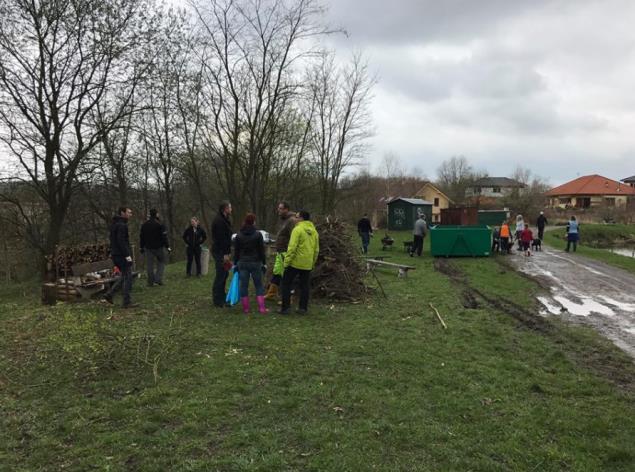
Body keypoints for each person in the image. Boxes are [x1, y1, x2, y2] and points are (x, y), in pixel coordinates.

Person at [280, 210, 319, 315]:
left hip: (295, 263)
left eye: (297, 217)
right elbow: (316, 250)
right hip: (307, 263)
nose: (295, 219)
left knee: (286, 284)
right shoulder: (314, 231)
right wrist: (312, 262)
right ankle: (303, 308)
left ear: (301, 218)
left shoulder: (297, 230)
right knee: (305, 286)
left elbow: (292, 248)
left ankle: (286, 308)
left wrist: (286, 262)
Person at [233, 213, 267, 314]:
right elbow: (261, 250)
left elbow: (237, 251)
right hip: (256, 262)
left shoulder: (238, 235)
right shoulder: (258, 234)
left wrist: (235, 264)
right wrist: (264, 263)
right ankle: (261, 308)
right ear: (253, 222)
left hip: (242, 263)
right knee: (258, 285)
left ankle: (246, 309)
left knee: (243, 285)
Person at [103, 207, 137, 308]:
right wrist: (127, 255)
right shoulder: (122, 225)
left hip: (116, 254)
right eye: (129, 212)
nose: (130, 214)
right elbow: (121, 241)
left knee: (124, 276)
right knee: (128, 277)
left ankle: (109, 294)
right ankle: (126, 302)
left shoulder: (114, 224)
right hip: (121, 255)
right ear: (122, 213)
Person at [264, 201, 295, 300]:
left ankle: (288, 298)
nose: (279, 210)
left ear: (286, 209)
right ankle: (272, 293)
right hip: (280, 251)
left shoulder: (291, 220)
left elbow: (294, 237)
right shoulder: (284, 220)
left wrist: (290, 251)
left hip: (286, 251)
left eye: (281, 209)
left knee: (286, 275)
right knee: (277, 272)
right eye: (279, 208)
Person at [139, 208, 171, 286]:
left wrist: (141, 247)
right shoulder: (160, 224)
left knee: (149, 265)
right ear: (156, 214)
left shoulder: (144, 225)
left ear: (150, 215)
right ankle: (158, 279)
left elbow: (142, 237)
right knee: (161, 262)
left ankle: (150, 282)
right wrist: (168, 246)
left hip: (149, 248)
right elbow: (164, 237)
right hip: (159, 247)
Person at [211, 201, 233, 307]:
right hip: (220, 251)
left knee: (225, 273)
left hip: (224, 251)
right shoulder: (219, 221)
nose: (231, 209)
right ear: (225, 209)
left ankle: (222, 296)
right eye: (230, 207)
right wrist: (225, 253)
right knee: (221, 274)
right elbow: (221, 239)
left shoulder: (224, 219)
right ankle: (217, 299)